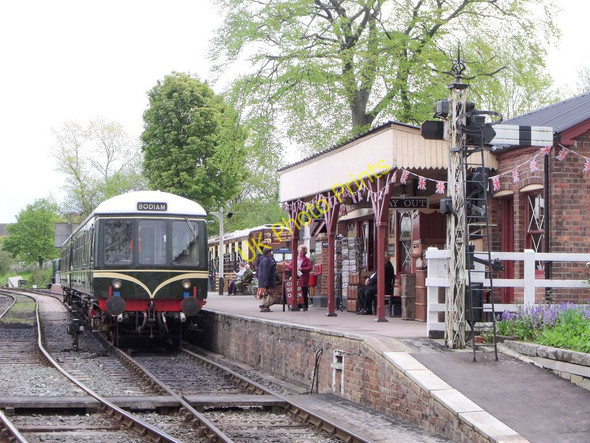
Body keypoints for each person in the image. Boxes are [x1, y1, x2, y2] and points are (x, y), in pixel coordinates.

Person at [288, 244, 313, 311]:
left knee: (303, 291)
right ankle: (298, 305)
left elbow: (310, 268)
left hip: (303, 277)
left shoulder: (307, 260)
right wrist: (294, 268)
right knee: (296, 290)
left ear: (304, 252)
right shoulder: (295, 258)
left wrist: (302, 268)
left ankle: (305, 305)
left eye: (301, 251)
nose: (300, 252)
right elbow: (289, 266)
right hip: (295, 276)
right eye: (299, 251)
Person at [256, 247, 277, 312]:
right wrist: (266, 282)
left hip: (261, 280)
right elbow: (266, 272)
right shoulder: (267, 260)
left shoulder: (261, 259)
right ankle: (265, 306)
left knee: (263, 294)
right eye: (270, 252)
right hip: (267, 280)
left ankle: (263, 305)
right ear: (268, 253)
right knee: (268, 294)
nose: (271, 254)